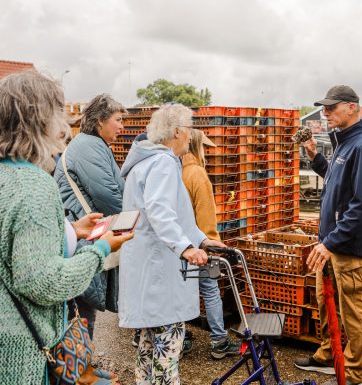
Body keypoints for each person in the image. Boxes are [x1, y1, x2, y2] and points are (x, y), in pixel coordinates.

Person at [0, 70, 133, 385]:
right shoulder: (34, 184)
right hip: (21, 355)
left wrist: (71, 229)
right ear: (42, 120)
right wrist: (100, 250)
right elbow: (43, 284)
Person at [118, 104, 227, 385]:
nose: (190, 137)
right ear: (177, 131)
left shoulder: (143, 162)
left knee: (147, 349)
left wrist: (201, 239)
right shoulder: (163, 162)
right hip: (161, 275)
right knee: (167, 351)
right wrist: (186, 247)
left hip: (147, 272)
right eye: (188, 129)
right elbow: (160, 211)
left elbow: (177, 215)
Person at [294, 85, 362, 385]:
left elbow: (361, 204)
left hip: (348, 248)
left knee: (353, 313)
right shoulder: (343, 144)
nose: (325, 112)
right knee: (325, 302)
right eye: (324, 107)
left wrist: (330, 242)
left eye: (332, 107)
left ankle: (356, 375)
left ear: (352, 108)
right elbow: (336, 183)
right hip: (330, 245)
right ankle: (327, 356)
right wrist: (315, 158)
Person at [53, 93, 127, 339]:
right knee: (80, 307)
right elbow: (110, 197)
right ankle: (79, 368)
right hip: (83, 236)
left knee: (82, 307)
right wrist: (133, 213)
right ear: (100, 121)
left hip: (81, 232)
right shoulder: (89, 146)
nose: (122, 126)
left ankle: (84, 366)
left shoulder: (92, 145)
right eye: (118, 119)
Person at [181, 129, 241, 358]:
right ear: (198, 146)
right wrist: (211, 243)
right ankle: (219, 340)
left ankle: (182, 337)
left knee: (182, 290)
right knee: (210, 289)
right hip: (200, 245)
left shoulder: (175, 170)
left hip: (180, 246)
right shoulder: (197, 174)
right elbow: (205, 215)